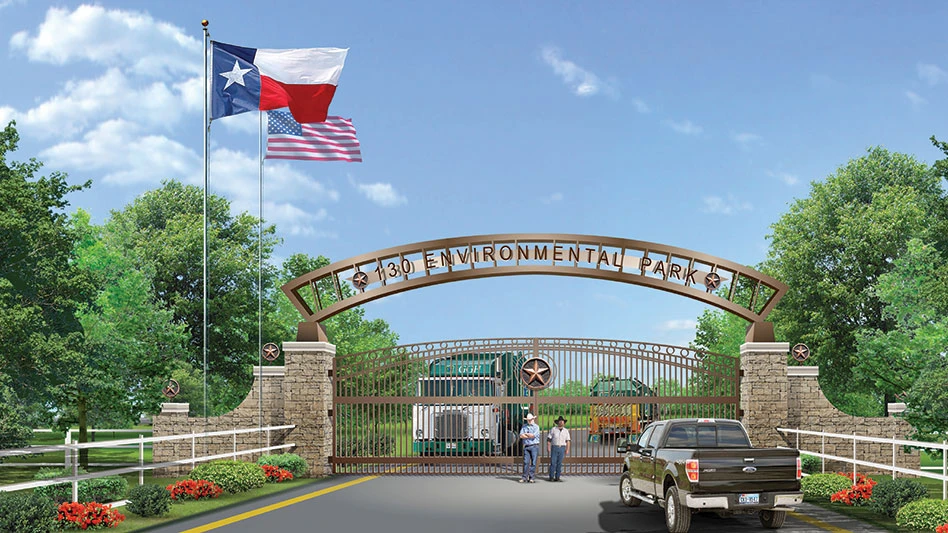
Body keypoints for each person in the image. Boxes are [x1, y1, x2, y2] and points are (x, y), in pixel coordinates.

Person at [547, 415, 570, 481]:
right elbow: (549, 439)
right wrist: (548, 447)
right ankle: (551, 477)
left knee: (559, 463)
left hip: (562, 447)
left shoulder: (566, 431)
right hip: (554, 447)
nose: (561, 422)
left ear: (564, 423)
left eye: (562, 421)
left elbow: (568, 441)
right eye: (560, 421)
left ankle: (557, 477)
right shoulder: (553, 429)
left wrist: (567, 449)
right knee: (553, 462)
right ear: (557, 422)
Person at [519, 412, 540, 483]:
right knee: (526, 462)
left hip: (534, 446)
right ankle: (524, 477)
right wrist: (528, 435)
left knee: (533, 463)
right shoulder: (524, 426)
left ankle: (531, 477)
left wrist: (526, 435)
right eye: (528, 420)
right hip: (527, 446)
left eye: (530, 419)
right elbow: (521, 436)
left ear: (533, 419)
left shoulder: (536, 427)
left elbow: (533, 435)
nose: (529, 421)